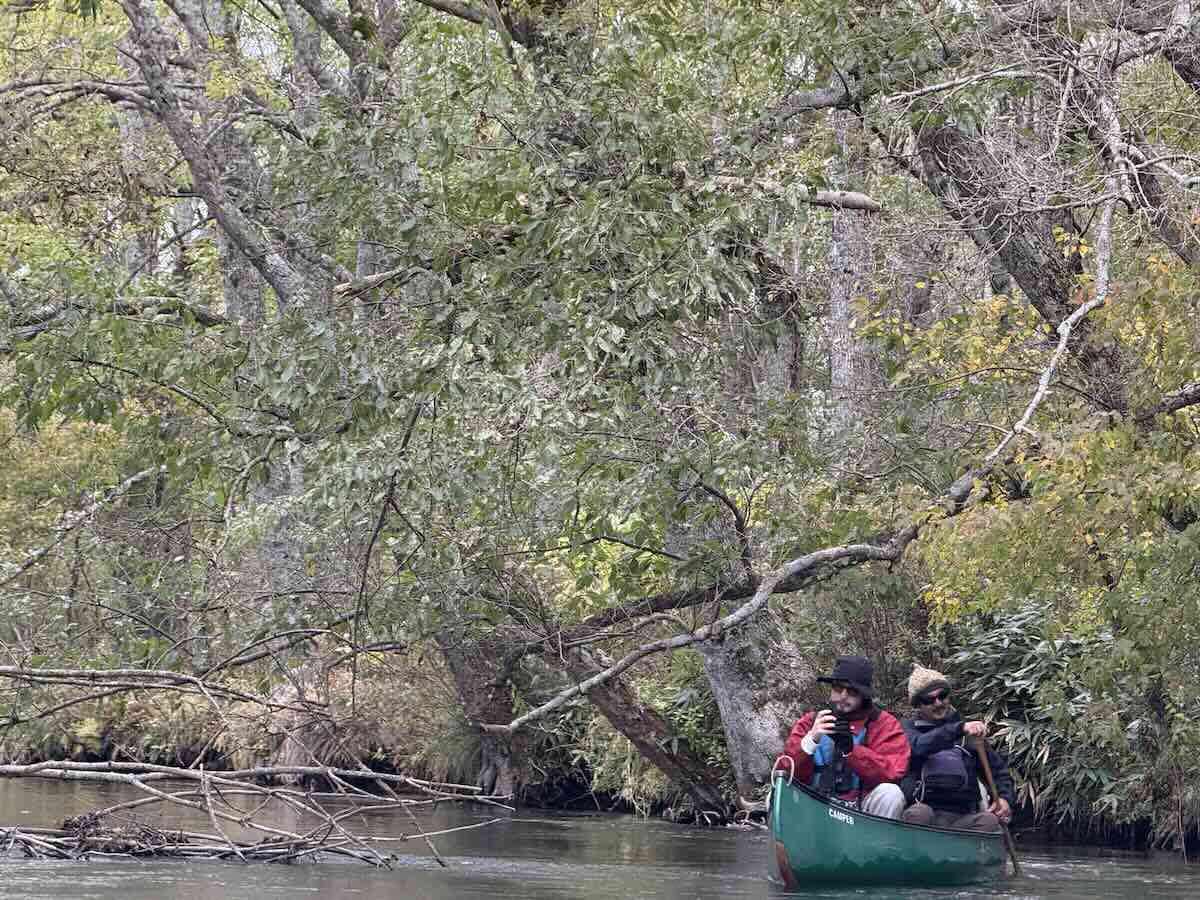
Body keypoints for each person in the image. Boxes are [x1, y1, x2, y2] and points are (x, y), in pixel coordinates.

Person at [775, 655, 909, 819]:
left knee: (891, 793)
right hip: (814, 807)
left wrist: (852, 750)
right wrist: (810, 741)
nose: (843, 696)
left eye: (852, 691)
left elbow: (893, 774)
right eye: (838, 688)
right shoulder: (811, 721)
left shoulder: (884, 724)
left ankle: (875, 843)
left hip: (862, 811)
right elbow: (785, 772)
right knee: (777, 791)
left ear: (863, 695)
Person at [899, 664, 1015, 832]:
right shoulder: (908, 729)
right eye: (929, 700)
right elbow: (919, 746)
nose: (938, 703)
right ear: (918, 704)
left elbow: (999, 772)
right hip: (925, 811)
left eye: (942, 696)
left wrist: (1005, 799)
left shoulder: (969, 735)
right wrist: (957, 729)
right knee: (919, 814)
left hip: (963, 817)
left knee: (989, 821)